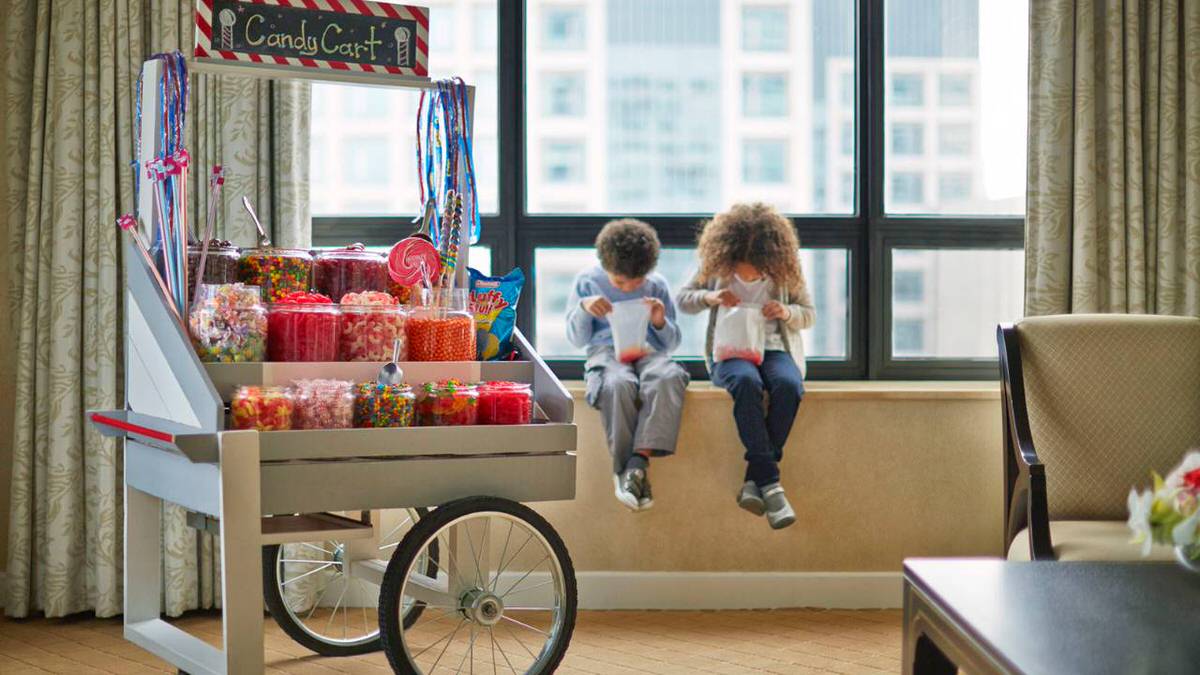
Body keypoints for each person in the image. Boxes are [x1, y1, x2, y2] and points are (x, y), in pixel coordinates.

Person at [677, 203, 815, 530]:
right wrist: (711, 298)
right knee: (746, 384)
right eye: (743, 267)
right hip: (731, 352)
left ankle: (757, 480)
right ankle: (772, 484)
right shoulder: (715, 270)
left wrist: (785, 312)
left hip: (775, 349)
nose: (749, 275)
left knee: (788, 387)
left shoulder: (784, 273)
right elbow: (683, 299)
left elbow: (808, 314)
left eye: (756, 269)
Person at [566, 218, 689, 511]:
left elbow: (671, 343)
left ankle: (637, 463)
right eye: (621, 283)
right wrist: (584, 309)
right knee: (617, 384)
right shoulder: (587, 282)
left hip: (649, 350)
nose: (630, 286)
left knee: (668, 377)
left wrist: (660, 321)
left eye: (637, 282)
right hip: (606, 351)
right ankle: (626, 471)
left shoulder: (657, 285)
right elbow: (576, 339)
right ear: (605, 267)